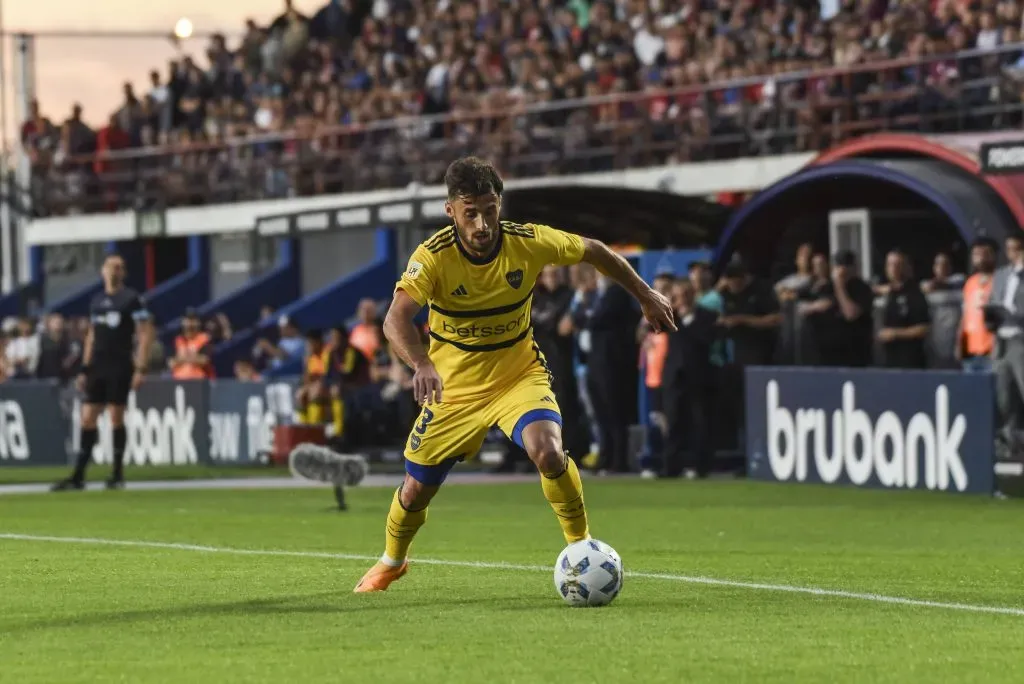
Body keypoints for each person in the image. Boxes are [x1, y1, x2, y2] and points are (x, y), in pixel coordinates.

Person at [352, 157, 674, 593]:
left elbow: (595, 250)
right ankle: (393, 560)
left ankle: (581, 548)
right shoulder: (433, 257)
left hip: (517, 375)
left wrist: (646, 294)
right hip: (453, 388)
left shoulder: (529, 242)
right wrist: (423, 363)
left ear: (499, 204)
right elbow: (395, 319)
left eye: (490, 210)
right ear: (451, 211)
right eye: (471, 213)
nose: (482, 224)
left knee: (548, 452)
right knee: (415, 491)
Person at [53, 254, 154, 491]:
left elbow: (145, 333)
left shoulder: (131, 300)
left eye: (119, 267)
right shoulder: (97, 301)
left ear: (124, 273)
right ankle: (78, 475)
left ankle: (117, 473)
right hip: (98, 365)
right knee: (88, 417)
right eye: (111, 266)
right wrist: (85, 368)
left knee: (115, 416)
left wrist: (141, 366)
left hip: (119, 364)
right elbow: (91, 335)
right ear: (102, 271)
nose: (114, 271)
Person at [661, 278, 718, 479]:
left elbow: (707, 339)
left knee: (699, 421)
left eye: (686, 293)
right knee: (673, 420)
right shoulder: (669, 316)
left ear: (693, 293)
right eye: (679, 293)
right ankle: (671, 467)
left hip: (698, 375)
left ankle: (700, 466)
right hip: (674, 375)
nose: (683, 297)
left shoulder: (707, 316)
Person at [798, 250, 875, 367]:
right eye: (838, 265)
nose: (841, 270)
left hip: (853, 354)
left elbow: (851, 314)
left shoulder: (861, 288)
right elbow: (802, 307)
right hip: (824, 354)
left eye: (845, 266)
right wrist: (815, 306)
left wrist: (839, 285)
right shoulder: (826, 286)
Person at [878, 250, 931, 369]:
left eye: (897, 264)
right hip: (890, 360)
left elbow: (924, 328)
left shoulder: (915, 293)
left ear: (906, 267)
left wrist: (896, 334)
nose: (893, 269)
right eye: (890, 264)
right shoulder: (890, 293)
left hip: (910, 361)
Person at [957, 238, 997, 373]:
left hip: (992, 351)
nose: (981, 258)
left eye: (985, 254)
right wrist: (959, 343)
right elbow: (965, 315)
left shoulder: (1000, 280)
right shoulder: (970, 283)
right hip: (970, 351)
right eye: (976, 254)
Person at [169, 308, 214, 380]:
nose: (190, 324)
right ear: (183, 322)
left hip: (199, 381)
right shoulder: (177, 340)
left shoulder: (204, 339)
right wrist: (193, 358)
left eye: (193, 320)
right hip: (179, 381)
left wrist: (181, 359)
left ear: (198, 322)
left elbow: (204, 360)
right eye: (187, 320)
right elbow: (171, 363)